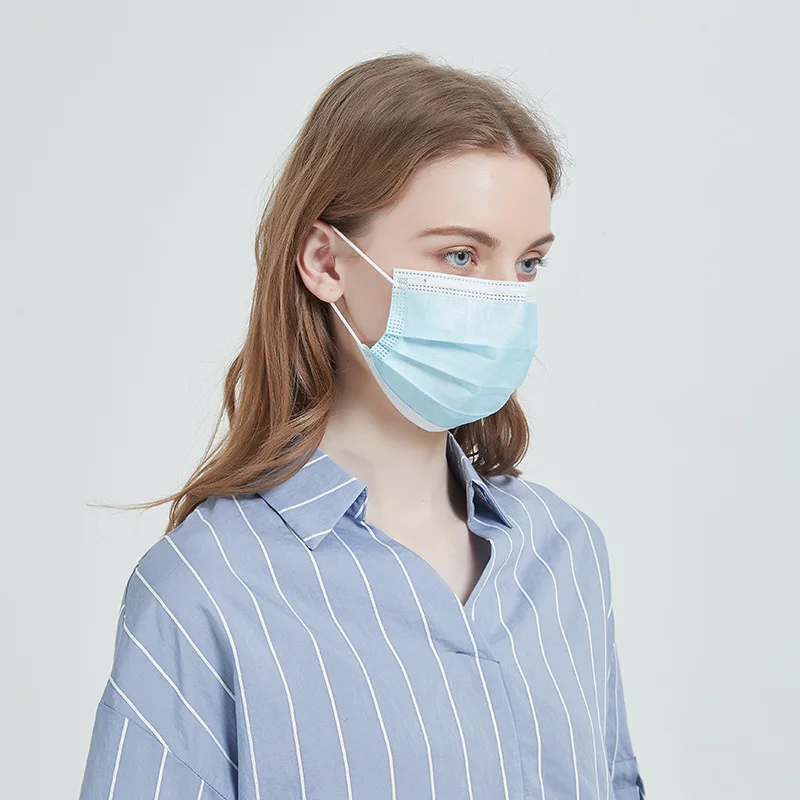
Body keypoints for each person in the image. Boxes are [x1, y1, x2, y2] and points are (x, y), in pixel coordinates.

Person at [79, 52, 646, 800]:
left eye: (528, 264)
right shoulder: (205, 589)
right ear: (326, 262)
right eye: (460, 255)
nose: (502, 301)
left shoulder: (567, 552)